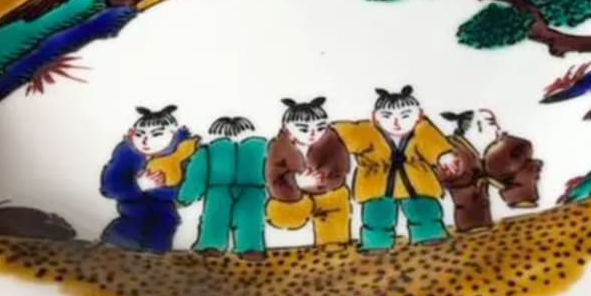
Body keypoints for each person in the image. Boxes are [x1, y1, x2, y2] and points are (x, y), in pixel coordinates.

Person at [333, 86, 459, 251]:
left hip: (417, 180)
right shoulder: (366, 132)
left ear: (419, 115)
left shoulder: (423, 130)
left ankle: (429, 235)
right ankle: (376, 243)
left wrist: (443, 155)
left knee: (425, 211)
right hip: (376, 183)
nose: (396, 123)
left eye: (405, 116)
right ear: (375, 117)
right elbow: (340, 134)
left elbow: (433, 144)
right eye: (387, 116)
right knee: (376, 217)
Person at [99, 105, 200, 252]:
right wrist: (138, 186)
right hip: (132, 206)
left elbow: (187, 191)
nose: (145, 141)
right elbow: (109, 187)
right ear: (132, 133)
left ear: (173, 134)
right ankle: (116, 246)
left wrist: (159, 189)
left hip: (165, 209)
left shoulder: (184, 154)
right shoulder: (126, 152)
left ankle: (155, 253)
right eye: (139, 134)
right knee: (134, 219)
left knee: (165, 222)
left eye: (156, 134)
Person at [265, 97, 351, 248]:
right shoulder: (278, 146)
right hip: (293, 196)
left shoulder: (332, 141)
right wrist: (295, 182)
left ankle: (333, 242)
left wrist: (321, 179)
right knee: (283, 214)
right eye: (303, 129)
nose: (313, 134)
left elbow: (341, 167)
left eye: (320, 128)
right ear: (287, 127)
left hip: (327, 190)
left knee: (336, 203)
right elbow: (274, 176)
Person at [177, 116, 268, 259]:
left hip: (252, 189)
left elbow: (272, 171)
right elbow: (197, 174)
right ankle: (212, 245)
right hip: (219, 189)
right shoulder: (209, 150)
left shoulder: (261, 149)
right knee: (216, 217)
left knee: (249, 219)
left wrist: (185, 198)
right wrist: (186, 196)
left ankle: (249, 248)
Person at [439, 108, 542, 231]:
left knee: (527, 167)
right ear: (477, 126)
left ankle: (521, 198)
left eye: (494, 122)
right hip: (467, 176)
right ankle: (474, 223)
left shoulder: (506, 142)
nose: (497, 127)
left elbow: (524, 147)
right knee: (467, 193)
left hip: (499, 168)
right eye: (491, 123)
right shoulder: (451, 146)